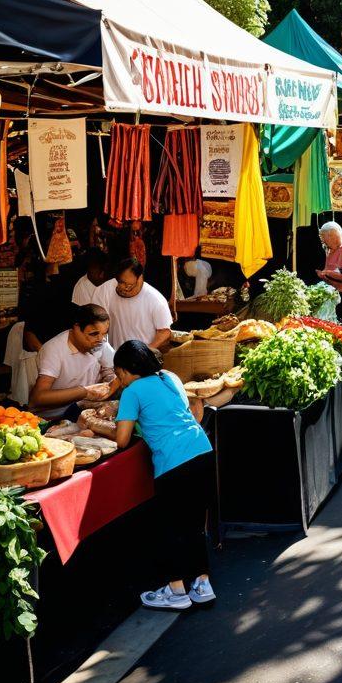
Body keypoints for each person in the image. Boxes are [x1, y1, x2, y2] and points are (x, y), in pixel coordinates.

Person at [113, 340, 214, 611]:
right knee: (194, 524)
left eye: (118, 373)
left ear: (124, 370)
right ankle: (203, 585)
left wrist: (97, 427)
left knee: (171, 527)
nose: (118, 379)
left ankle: (176, 591)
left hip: (173, 461)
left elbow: (122, 440)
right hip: (202, 450)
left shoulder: (132, 391)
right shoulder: (169, 377)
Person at [29, 303, 116, 417]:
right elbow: (37, 398)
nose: (100, 339)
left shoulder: (100, 343)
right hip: (53, 416)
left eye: (104, 334)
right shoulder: (54, 349)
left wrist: (111, 382)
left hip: (84, 410)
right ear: (76, 327)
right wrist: (84, 392)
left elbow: (110, 372)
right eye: (93, 334)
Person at [93, 258, 172, 352]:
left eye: (128, 285)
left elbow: (164, 332)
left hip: (142, 359)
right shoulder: (106, 290)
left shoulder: (156, 299)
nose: (122, 288)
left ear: (139, 278)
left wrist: (146, 351)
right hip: (116, 356)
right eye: (120, 282)